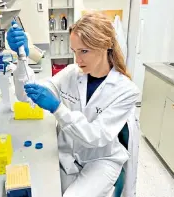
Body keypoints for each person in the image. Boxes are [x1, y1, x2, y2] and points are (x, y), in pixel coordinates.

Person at [7, 11, 140, 197]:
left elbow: (95, 137)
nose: (78, 60)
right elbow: (26, 95)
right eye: (75, 51)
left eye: (84, 51)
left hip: (100, 159)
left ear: (106, 45)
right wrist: (22, 60)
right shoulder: (71, 73)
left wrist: (57, 108)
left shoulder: (126, 90)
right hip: (69, 153)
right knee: (41, 187)